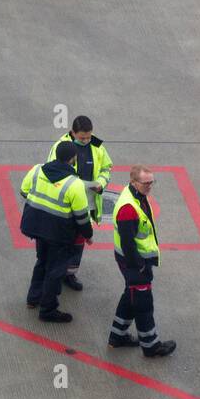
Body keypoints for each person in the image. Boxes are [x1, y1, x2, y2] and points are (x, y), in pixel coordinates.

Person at [19, 141, 93, 322]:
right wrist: (88, 235)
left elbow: (24, 191)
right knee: (56, 270)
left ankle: (33, 298)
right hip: (59, 234)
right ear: (73, 159)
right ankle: (48, 309)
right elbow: (81, 216)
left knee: (41, 261)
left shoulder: (37, 169)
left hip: (36, 227)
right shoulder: (74, 184)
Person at [108, 166, 176, 356]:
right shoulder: (129, 208)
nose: (149, 186)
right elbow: (128, 242)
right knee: (143, 303)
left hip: (134, 261)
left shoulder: (136, 196)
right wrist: (138, 266)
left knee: (130, 295)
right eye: (145, 183)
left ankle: (117, 336)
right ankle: (151, 345)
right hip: (134, 263)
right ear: (133, 182)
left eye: (151, 182)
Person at [48, 115, 112, 291]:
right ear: (73, 133)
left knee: (78, 242)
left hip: (87, 203)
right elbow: (53, 174)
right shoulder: (60, 148)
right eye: (82, 137)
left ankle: (70, 273)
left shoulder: (97, 146)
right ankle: (56, 272)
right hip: (66, 204)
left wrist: (101, 183)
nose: (86, 140)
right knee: (62, 241)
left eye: (88, 137)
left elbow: (106, 168)